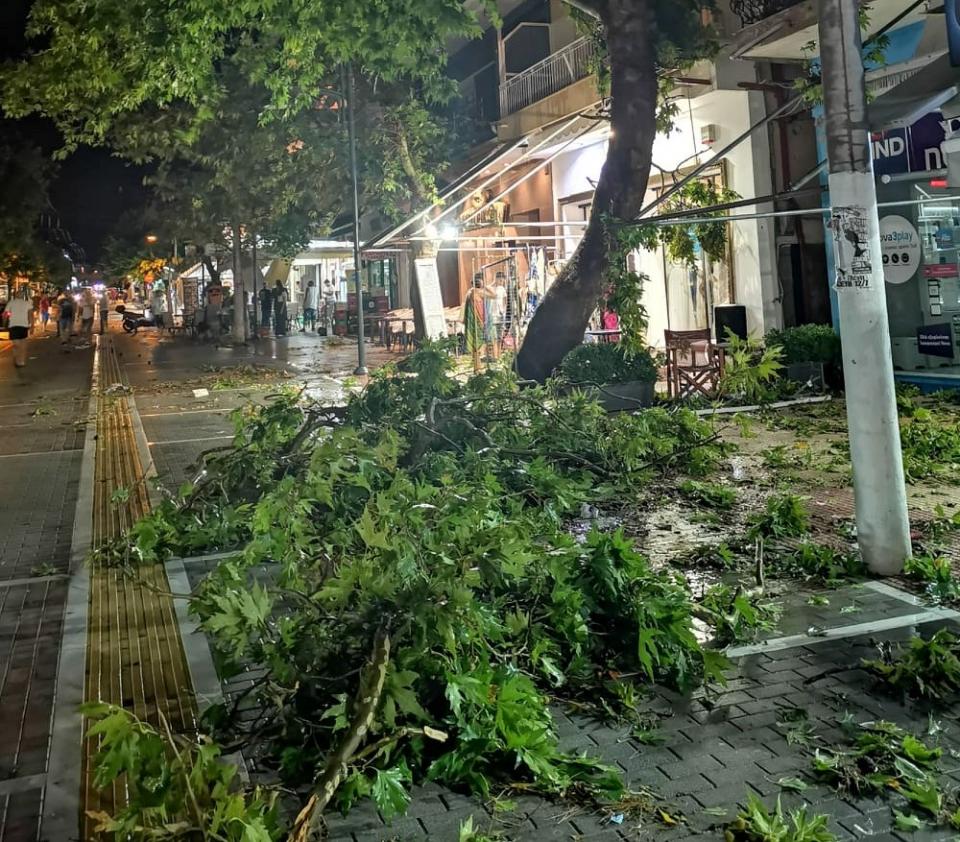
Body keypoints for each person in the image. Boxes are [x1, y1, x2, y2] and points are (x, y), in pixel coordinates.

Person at [462, 273, 496, 373]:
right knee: (478, 344)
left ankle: (477, 367)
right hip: (478, 321)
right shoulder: (478, 292)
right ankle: (477, 367)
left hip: (473, 321)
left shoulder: (469, 292)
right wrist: (486, 286)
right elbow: (494, 295)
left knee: (475, 345)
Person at [7, 288, 33, 368]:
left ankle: (17, 359)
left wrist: (6, 320)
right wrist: (32, 326)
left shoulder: (11, 303)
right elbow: (31, 315)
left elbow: (5, 313)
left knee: (16, 345)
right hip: (23, 325)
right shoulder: (27, 303)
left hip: (13, 325)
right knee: (22, 345)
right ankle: (21, 361)